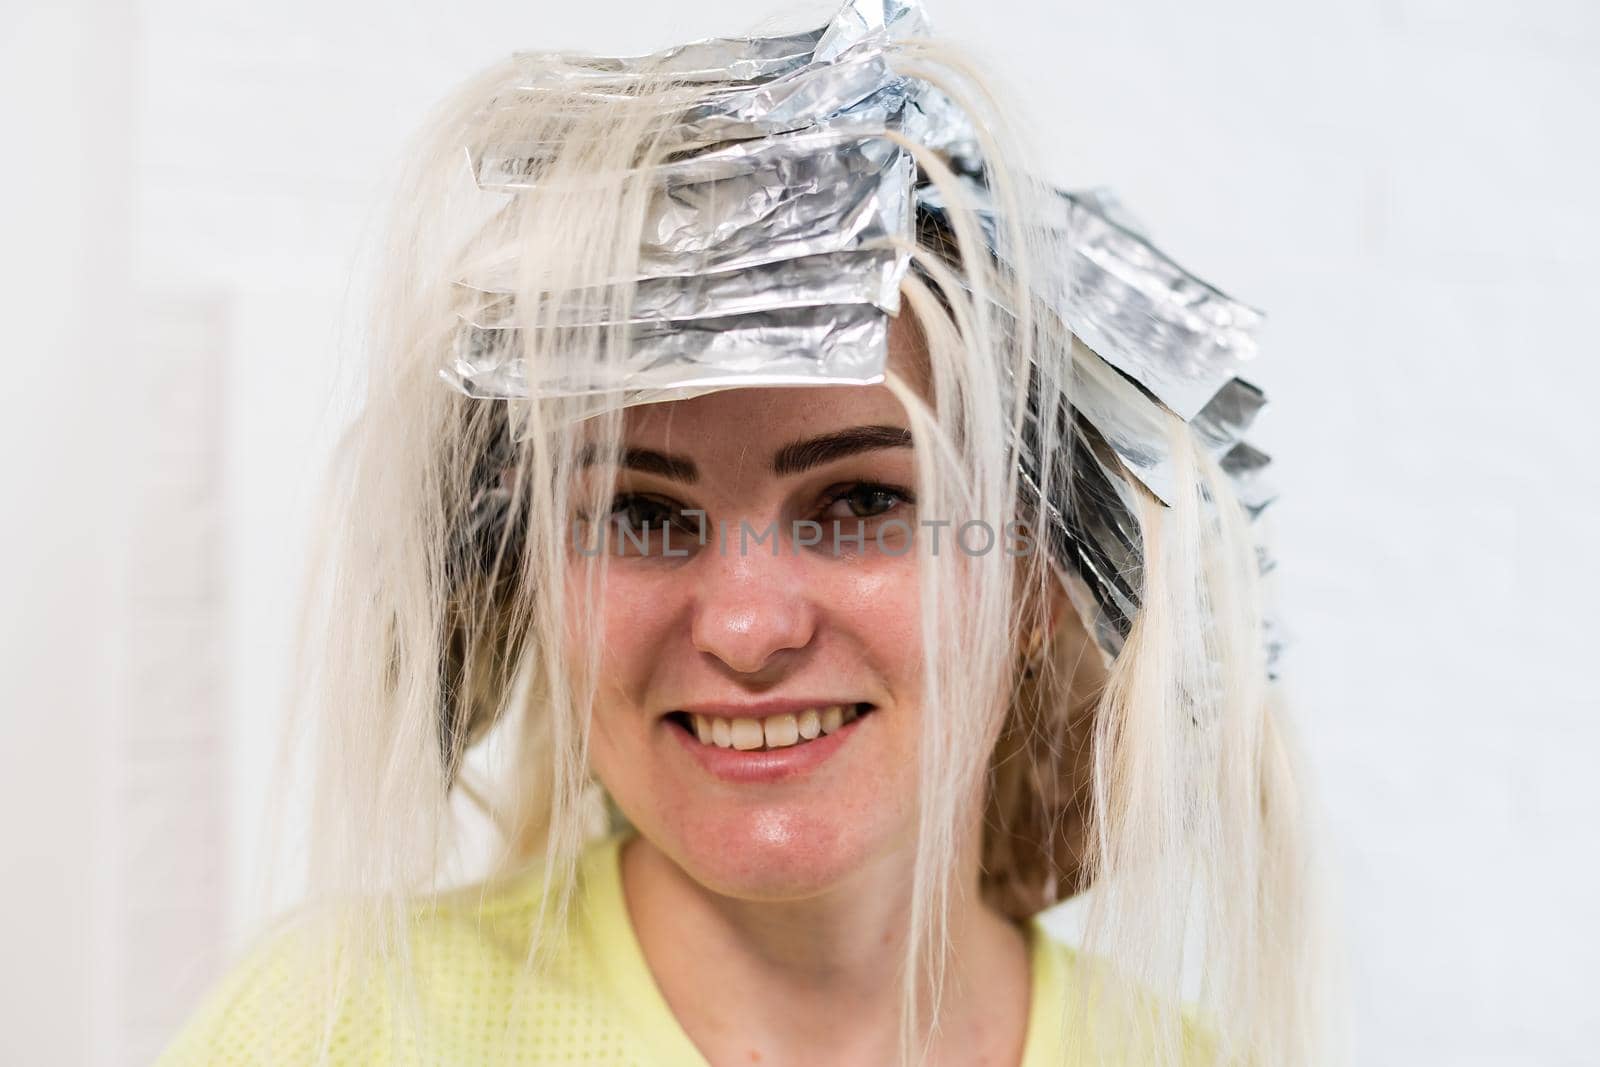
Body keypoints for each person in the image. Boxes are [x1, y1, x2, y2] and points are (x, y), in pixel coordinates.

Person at [156, 1, 1331, 1064]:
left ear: (1035, 576)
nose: (747, 625)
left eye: (863, 502)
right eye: (639, 512)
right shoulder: (339, 1026)